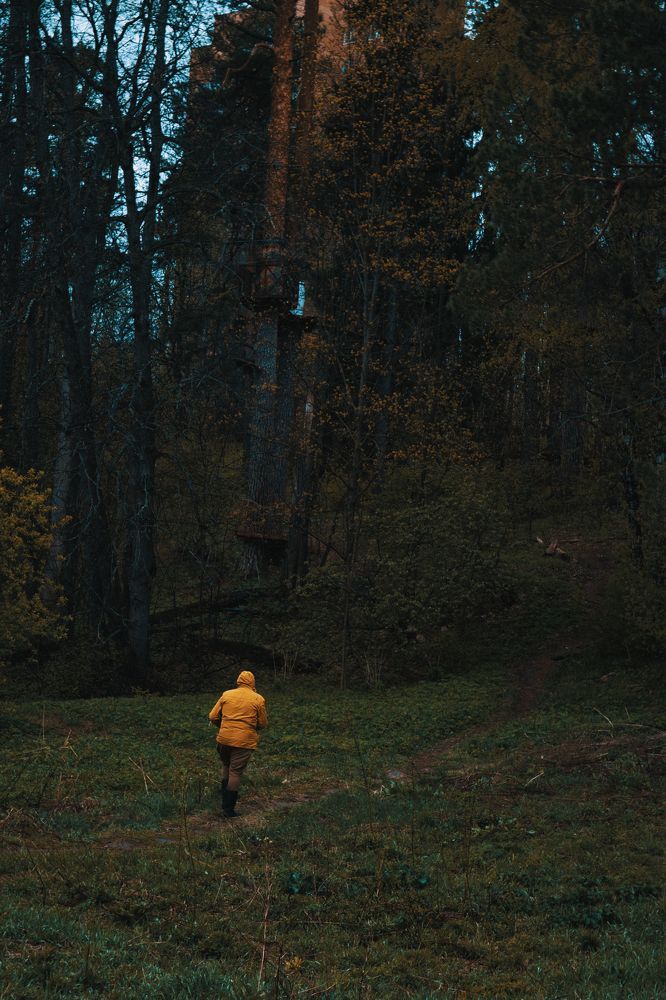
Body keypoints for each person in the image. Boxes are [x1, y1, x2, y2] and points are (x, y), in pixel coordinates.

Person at [208, 670, 268, 818]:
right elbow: (262, 723)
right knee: (235, 772)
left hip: (224, 739)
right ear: (252, 682)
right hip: (243, 742)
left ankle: (224, 803)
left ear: (238, 681)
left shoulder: (227, 694)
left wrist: (223, 726)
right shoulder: (258, 699)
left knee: (226, 766)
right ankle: (229, 810)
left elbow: (212, 716)